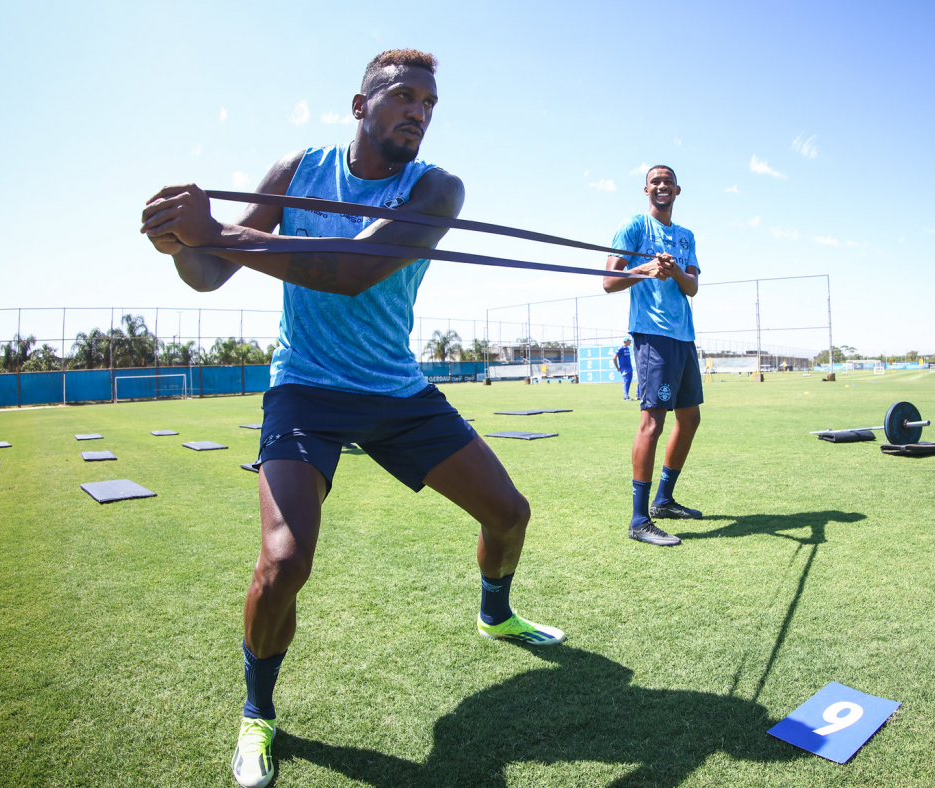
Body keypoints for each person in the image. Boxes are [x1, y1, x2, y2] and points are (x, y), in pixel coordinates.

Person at [138, 49, 565, 788]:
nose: (420, 115)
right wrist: (179, 240)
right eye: (405, 98)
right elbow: (207, 275)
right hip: (305, 386)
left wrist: (214, 233)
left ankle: (495, 613)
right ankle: (257, 713)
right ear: (361, 104)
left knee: (510, 514)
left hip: (396, 390)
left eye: (430, 106)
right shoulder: (297, 168)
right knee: (282, 563)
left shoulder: (435, 189)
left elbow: (351, 270)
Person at [604, 165, 703, 547]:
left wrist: (674, 270)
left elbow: (692, 287)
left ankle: (663, 500)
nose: (662, 186)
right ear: (646, 189)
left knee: (690, 419)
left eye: (668, 182)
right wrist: (647, 268)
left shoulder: (685, 236)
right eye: (655, 182)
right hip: (652, 337)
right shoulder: (633, 227)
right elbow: (610, 282)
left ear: (678, 190)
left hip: (683, 336)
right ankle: (638, 519)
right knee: (652, 424)